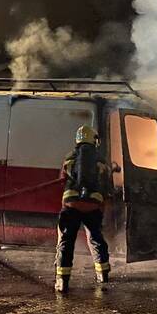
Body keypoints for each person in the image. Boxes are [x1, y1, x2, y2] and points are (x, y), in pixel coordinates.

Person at [55, 125, 111, 293]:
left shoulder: (69, 157)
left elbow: (62, 180)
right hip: (93, 206)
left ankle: (62, 281)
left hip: (71, 205)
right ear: (93, 139)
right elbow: (106, 186)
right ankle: (102, 275)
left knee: (66, 242)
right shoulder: (101, 160)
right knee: (96, 239)